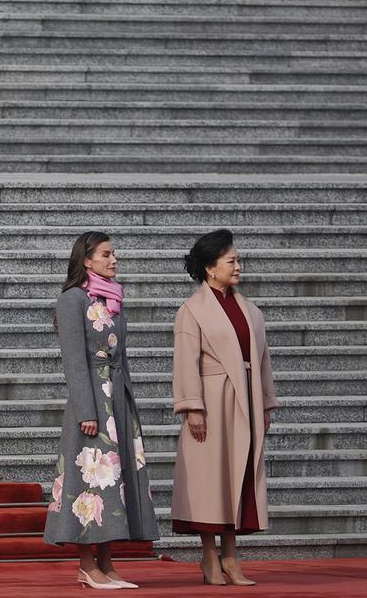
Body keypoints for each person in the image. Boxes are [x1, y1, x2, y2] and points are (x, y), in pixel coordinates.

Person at [43, 231, 158, 590]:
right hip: (92, 399)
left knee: (115, 481)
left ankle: (107, 563)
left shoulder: (111, 299)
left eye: (114, 254)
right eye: (106, 255)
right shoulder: (72, 299)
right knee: (89, 481)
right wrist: (86, 411)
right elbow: (74, 360)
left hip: (118, 399)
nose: (114, 260)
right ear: (86, 259)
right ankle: (86, 564)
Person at [171, 229, 279, 587]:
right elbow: (186, 363)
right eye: (231, 261)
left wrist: (265, 402)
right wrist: (193, 408)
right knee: (210, 480)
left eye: (238, 260)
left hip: (245, 401)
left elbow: (262, 361)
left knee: (238, 477)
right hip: (212, 402)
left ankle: (231, 557)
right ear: (209, 268)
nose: (238, 266)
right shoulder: (192, 310)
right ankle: (209, 557)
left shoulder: (250, 310)